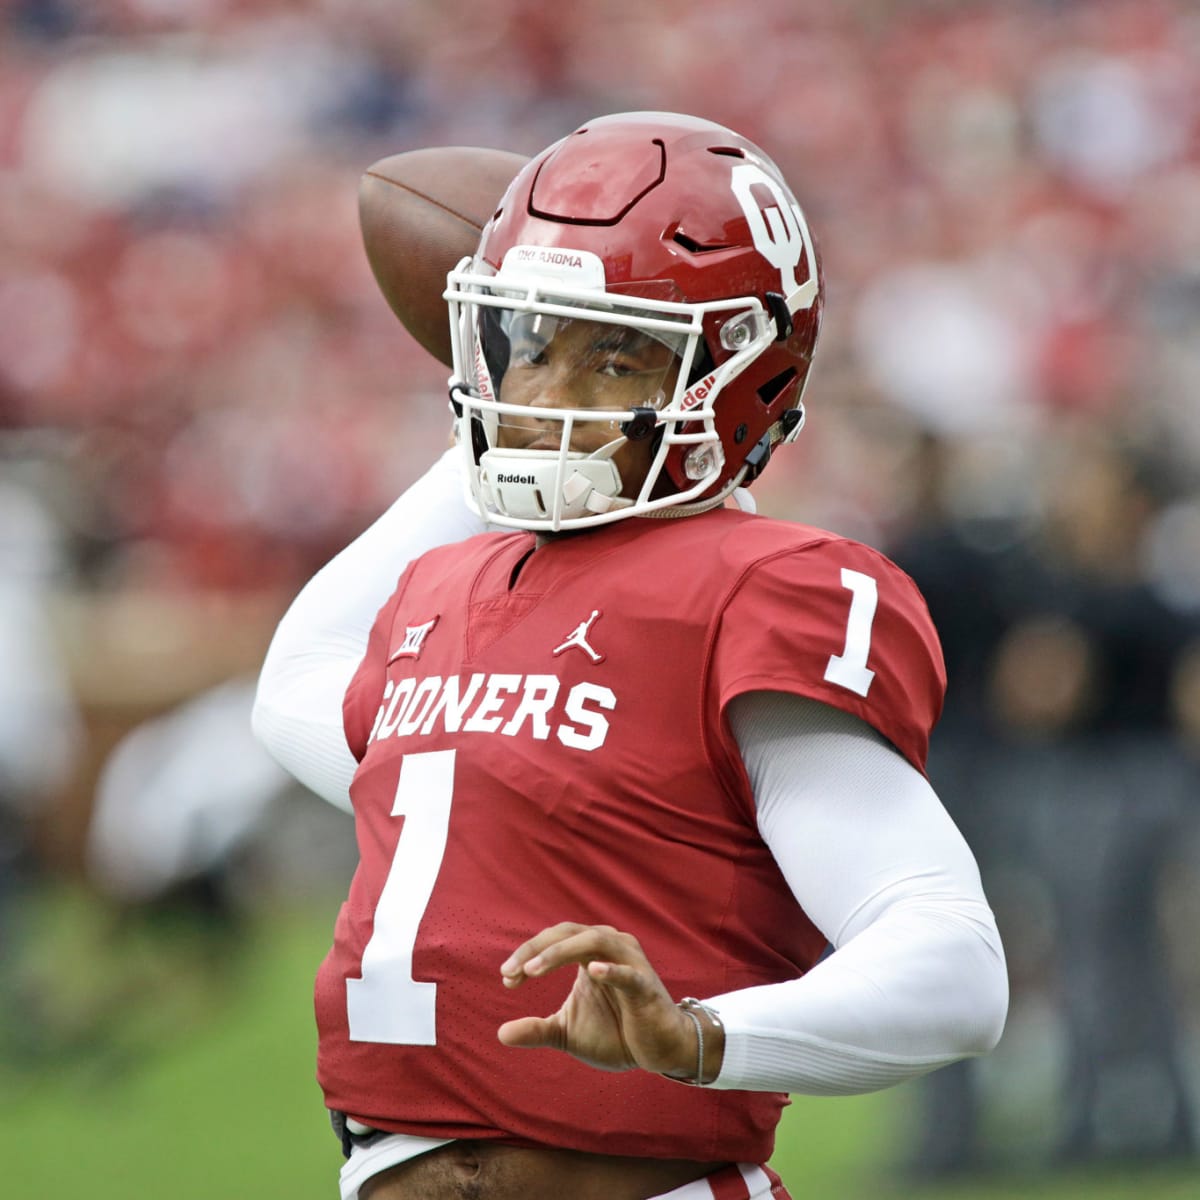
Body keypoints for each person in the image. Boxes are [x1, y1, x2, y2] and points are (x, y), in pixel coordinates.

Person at [252, 112, 1008, 1200]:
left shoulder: (760, 586)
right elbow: (295, 687)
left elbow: (952, 964)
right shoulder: (445, 586)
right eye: (527, 346)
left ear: (739, 373)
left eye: (614, 357)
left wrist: (700, 1036)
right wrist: (556, 308)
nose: (547, 400)